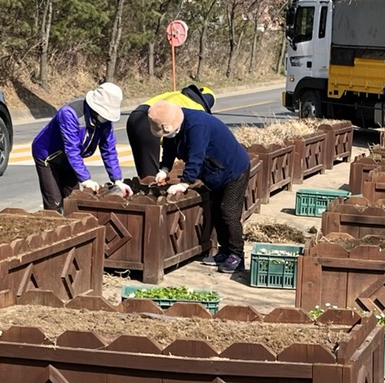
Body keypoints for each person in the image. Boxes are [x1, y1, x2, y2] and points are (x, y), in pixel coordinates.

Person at [150, 98, 251, 273]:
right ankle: (224, 251)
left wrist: (184, 183)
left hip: (234, 169)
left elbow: (195, 157)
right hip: (214, 172)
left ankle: (237, 255)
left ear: (169, 126)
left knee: (228, 212)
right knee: (216, 211)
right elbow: (169, 149)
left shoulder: (197, 126)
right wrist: (164, 169)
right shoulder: (174, 127)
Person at [31, 81, 129, 211]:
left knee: (73, 200)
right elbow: (72, 149)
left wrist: (117, 180)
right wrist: (86, 179)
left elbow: (109, 149)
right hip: (48, 157)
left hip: (69, 160)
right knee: (54, 203)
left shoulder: (105, 121)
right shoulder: (70, 113)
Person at [126, 83, 215, 179]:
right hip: (152, 120)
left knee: (144, 167)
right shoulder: (197, 108)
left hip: (136, 116)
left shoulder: (178, 95)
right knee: (151, 177)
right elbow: (190, 141)